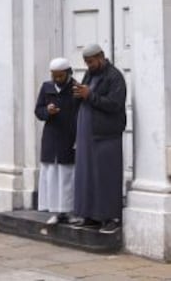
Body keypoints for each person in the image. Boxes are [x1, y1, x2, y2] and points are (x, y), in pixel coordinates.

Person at [72, 43, 126, 234]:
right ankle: (91, 216)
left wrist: (90, 95)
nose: (89, 65)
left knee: (106, 177)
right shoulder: (90, 74)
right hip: (88, 134)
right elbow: (85, 96)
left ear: (101, 56)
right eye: (86, 62)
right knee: (88, 176)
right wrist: (78, 94)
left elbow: (115, 105)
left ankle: (111, 218)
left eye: (91, 61)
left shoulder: (115, 76)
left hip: (106, 135)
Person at [35, 57, 79, 225]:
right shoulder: (46, 88)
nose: (57, 79)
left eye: (60, 76)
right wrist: (47, 111)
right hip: (51, 138)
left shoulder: (76, 89)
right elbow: (38, 110)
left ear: (68, 73)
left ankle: (69, 212)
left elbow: (80, 113)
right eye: (54, 76)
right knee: (52, 177)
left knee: (68, 176)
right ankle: (54, 211)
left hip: (69, 138)